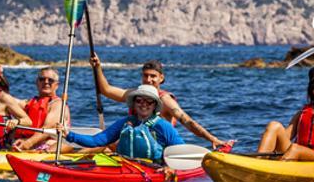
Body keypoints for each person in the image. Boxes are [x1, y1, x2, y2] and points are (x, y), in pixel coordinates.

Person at [89, 54, 231, 149]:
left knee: (103, 147)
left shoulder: (165, 100)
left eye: (153, 76)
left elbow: (187, 121)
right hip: (135, 144)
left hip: (158, 148)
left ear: (161, 78)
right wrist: (97, 67)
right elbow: (106, 90)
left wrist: (212, 139)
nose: (148, 80)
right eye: (145, 76)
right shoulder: (134, 94)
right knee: (102, 145)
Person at [59, 84, 185, 161]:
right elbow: (96, 141)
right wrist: (69, 135)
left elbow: (182, 152)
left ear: (155, 105)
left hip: (154, 169)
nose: (143, 104)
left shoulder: (163, 126)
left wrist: (169, 168)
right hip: (126, 166)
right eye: (139, 100)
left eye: (149, 101)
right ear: (134, 104)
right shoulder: (125, 123)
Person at [10, 67, 72, 152]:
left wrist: (27, 144)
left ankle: (39, 153)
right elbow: (6, 99)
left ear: (57, 85)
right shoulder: (28, 103)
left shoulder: (58, 105)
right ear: (37, 82)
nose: (46, 82)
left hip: (48, 145)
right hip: (25, 144)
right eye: (42, 79)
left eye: (50, 80)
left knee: (63, 144)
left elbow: (48, 128)